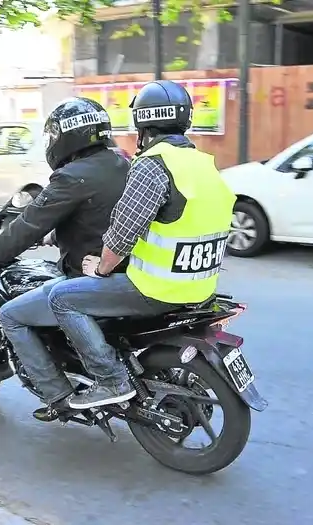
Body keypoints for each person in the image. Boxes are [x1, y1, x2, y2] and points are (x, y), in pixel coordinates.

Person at [48, 80, 237, 410]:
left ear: (142, 123)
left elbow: (123, 233)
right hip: (202, 288)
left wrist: (100, 267)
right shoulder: (204, 164)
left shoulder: (152, 164)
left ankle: (110, 381)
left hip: (156, 289)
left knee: (62, 298)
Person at [0, 97, 131, 421]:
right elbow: (99, 218)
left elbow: (25, 226)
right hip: (131, 271)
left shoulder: (73, 176)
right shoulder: (121, 162)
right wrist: (55, 236)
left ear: (65, 137)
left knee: (11, 315)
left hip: (95, 279)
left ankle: (58, 396)